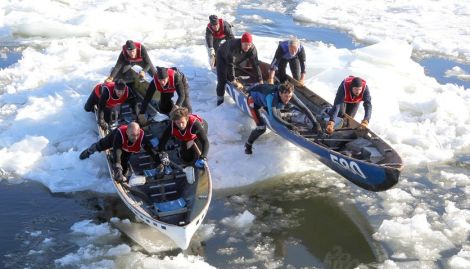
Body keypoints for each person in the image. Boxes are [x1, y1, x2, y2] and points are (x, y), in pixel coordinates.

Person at [244, 81, 322, 154]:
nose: (288, 99)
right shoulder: (272, 97)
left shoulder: (289, 94)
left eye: (290, 96)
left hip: (265, 100)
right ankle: (248, 145)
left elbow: (304, 108)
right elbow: (273, 116)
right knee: (261, 128)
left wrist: (315, 123)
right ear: (280, 93)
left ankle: (270, 108)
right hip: (253, 101)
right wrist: (288, 125)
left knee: (280, 117)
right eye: (286, 96)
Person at [79, 122, 158, 182]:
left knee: (124, 165)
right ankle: (89, 151)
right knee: (101, 145)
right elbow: (117, 151)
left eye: (137, 135)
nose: (135, 137)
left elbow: (150, 149)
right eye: (133, 135)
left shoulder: (141, 136)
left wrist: (159, 161)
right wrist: (117, 169)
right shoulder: (119, 134)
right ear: (127, 132)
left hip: (128, 149)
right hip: (115, 141)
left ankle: (124, 176)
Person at [215, 32, 263, 106]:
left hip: (237, 57)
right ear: (241, 42)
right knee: (222, 79)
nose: (247, 47)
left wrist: (260, 80)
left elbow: (256, 65)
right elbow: (230, 64)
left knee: (232, 72)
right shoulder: (234, 47)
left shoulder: (252, 49)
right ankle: (220, 100)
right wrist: (233, 80)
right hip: (222, 55)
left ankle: (236, 77)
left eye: (249, 45)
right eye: (245, 44)